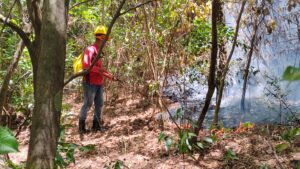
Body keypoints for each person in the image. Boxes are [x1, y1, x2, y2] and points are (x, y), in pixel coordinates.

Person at [79, 25, 114, 133]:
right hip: (89, 83)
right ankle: (81, 127)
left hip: (99, 82)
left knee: (99, 104)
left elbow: (99, 68)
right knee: (88, 104)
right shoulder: (90, 50)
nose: (106, 43)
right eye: (105, 40)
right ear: (100, 38)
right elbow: (86, 66)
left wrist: (109, 75)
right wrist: (99, 71)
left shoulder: (99, 51)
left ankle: (96, 126)